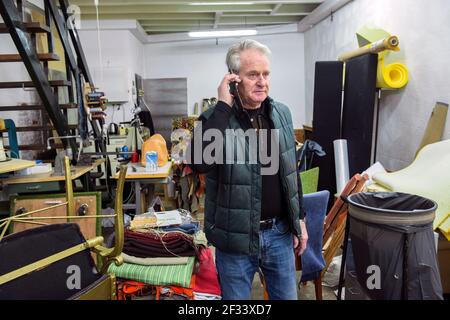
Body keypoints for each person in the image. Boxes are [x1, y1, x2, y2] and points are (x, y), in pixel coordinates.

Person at [188, 39, 308, 300]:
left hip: (279, 235)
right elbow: (199, 162)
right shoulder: (215, 118)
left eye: (266, 74)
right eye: (253, 75)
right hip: (235, 242)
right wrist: (222, 106)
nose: (262, 81)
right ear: (234, 79)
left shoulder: (280, 114)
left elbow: (290, 171)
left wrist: (300, 219)